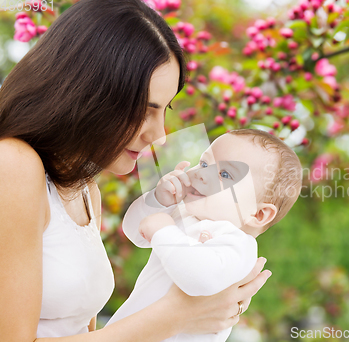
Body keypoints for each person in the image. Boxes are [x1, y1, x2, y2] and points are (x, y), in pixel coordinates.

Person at [0, 0, 271, 340]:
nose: (159, 135)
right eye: (145, 109)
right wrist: (178, 315)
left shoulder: (85, 191)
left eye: (165, 109)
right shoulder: (12, 166)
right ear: (87, 93)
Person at [104, 129, 303, 342]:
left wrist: (163, 231)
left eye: (225, 174)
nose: (200, 173)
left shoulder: (238, 246)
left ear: (258, 213)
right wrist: (158, 200)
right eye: (205, 164)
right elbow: (136, 232)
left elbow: (200, 279)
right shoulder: (185, 214)